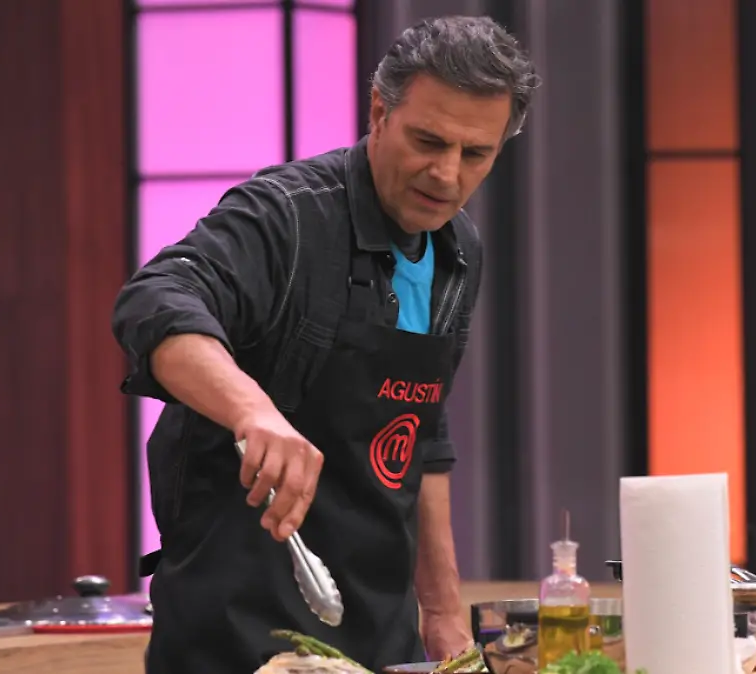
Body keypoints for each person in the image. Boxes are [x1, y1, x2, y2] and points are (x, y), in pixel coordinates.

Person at [112, 15, 539, 674]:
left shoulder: (459, 251)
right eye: (428, 141)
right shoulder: (287, 216)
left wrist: (441, 608)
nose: (447, 175)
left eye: (475, 154)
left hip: (379, 627)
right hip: (237, 629)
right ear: (379, 112)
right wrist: (252, 410)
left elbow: (421, 435)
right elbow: (156, 299)